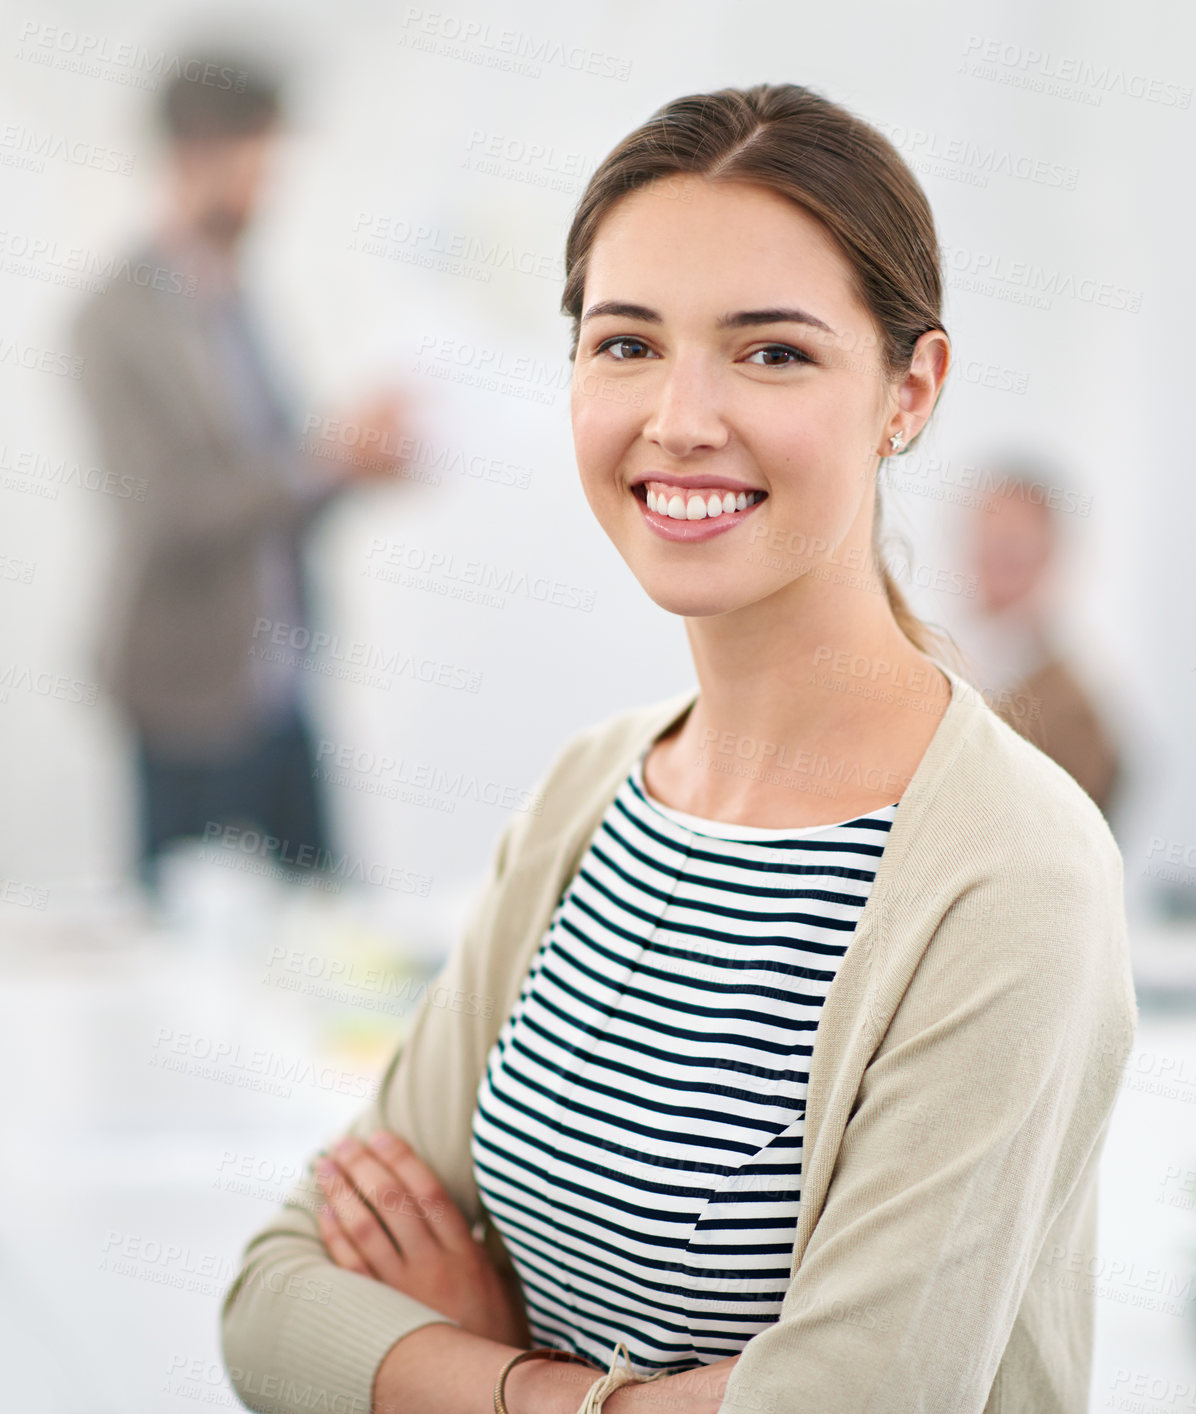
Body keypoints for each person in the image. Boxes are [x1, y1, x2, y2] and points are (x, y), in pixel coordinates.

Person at [220, 84, 1136, 1414]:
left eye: (769, 353)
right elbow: (275, 1302)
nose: (681, 417)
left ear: (908, 388)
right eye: (627, 343)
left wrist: (484, 1363)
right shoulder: (589, 796)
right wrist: (576, 1385)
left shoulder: (1013, 870)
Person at [70, 55, 408, 898]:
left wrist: (349, 471)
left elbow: (274, 483)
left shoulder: (241, 302)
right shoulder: (112, 319)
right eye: (259, 163)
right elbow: (169, 512)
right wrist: (324, 460)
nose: (270, 188)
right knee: (191, 943)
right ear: (196, 156)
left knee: (330, 925)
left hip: (283, 682)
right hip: (186, 693)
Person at [960, 461, 1123, 818]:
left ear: (1048, 556)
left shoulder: (1072, 716)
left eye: (1012, 546)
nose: (991, 560)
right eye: (984, 539)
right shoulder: (938, 659)